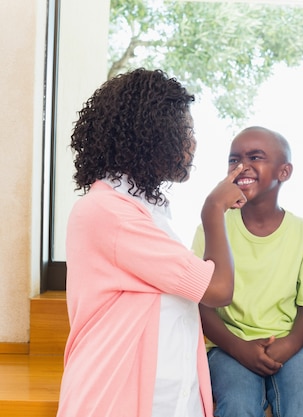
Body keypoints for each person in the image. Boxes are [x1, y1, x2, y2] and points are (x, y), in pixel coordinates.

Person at [56, 68, 247, 417]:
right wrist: (213, 208)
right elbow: (218, 289)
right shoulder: (110, 213)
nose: (193, 142)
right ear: (155, 134)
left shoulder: (142, 211)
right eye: (186, 130)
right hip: (116, 399)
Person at [191, 126, 303, 417]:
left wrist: (287, 347)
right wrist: (239, 348)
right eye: (233, 159)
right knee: (238, 404)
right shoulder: (212, 228)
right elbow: (202, 306)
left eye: (255, 157)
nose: (242, 167)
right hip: (227, 345)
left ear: (284, 172)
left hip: (291, 346)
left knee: (302, 406)